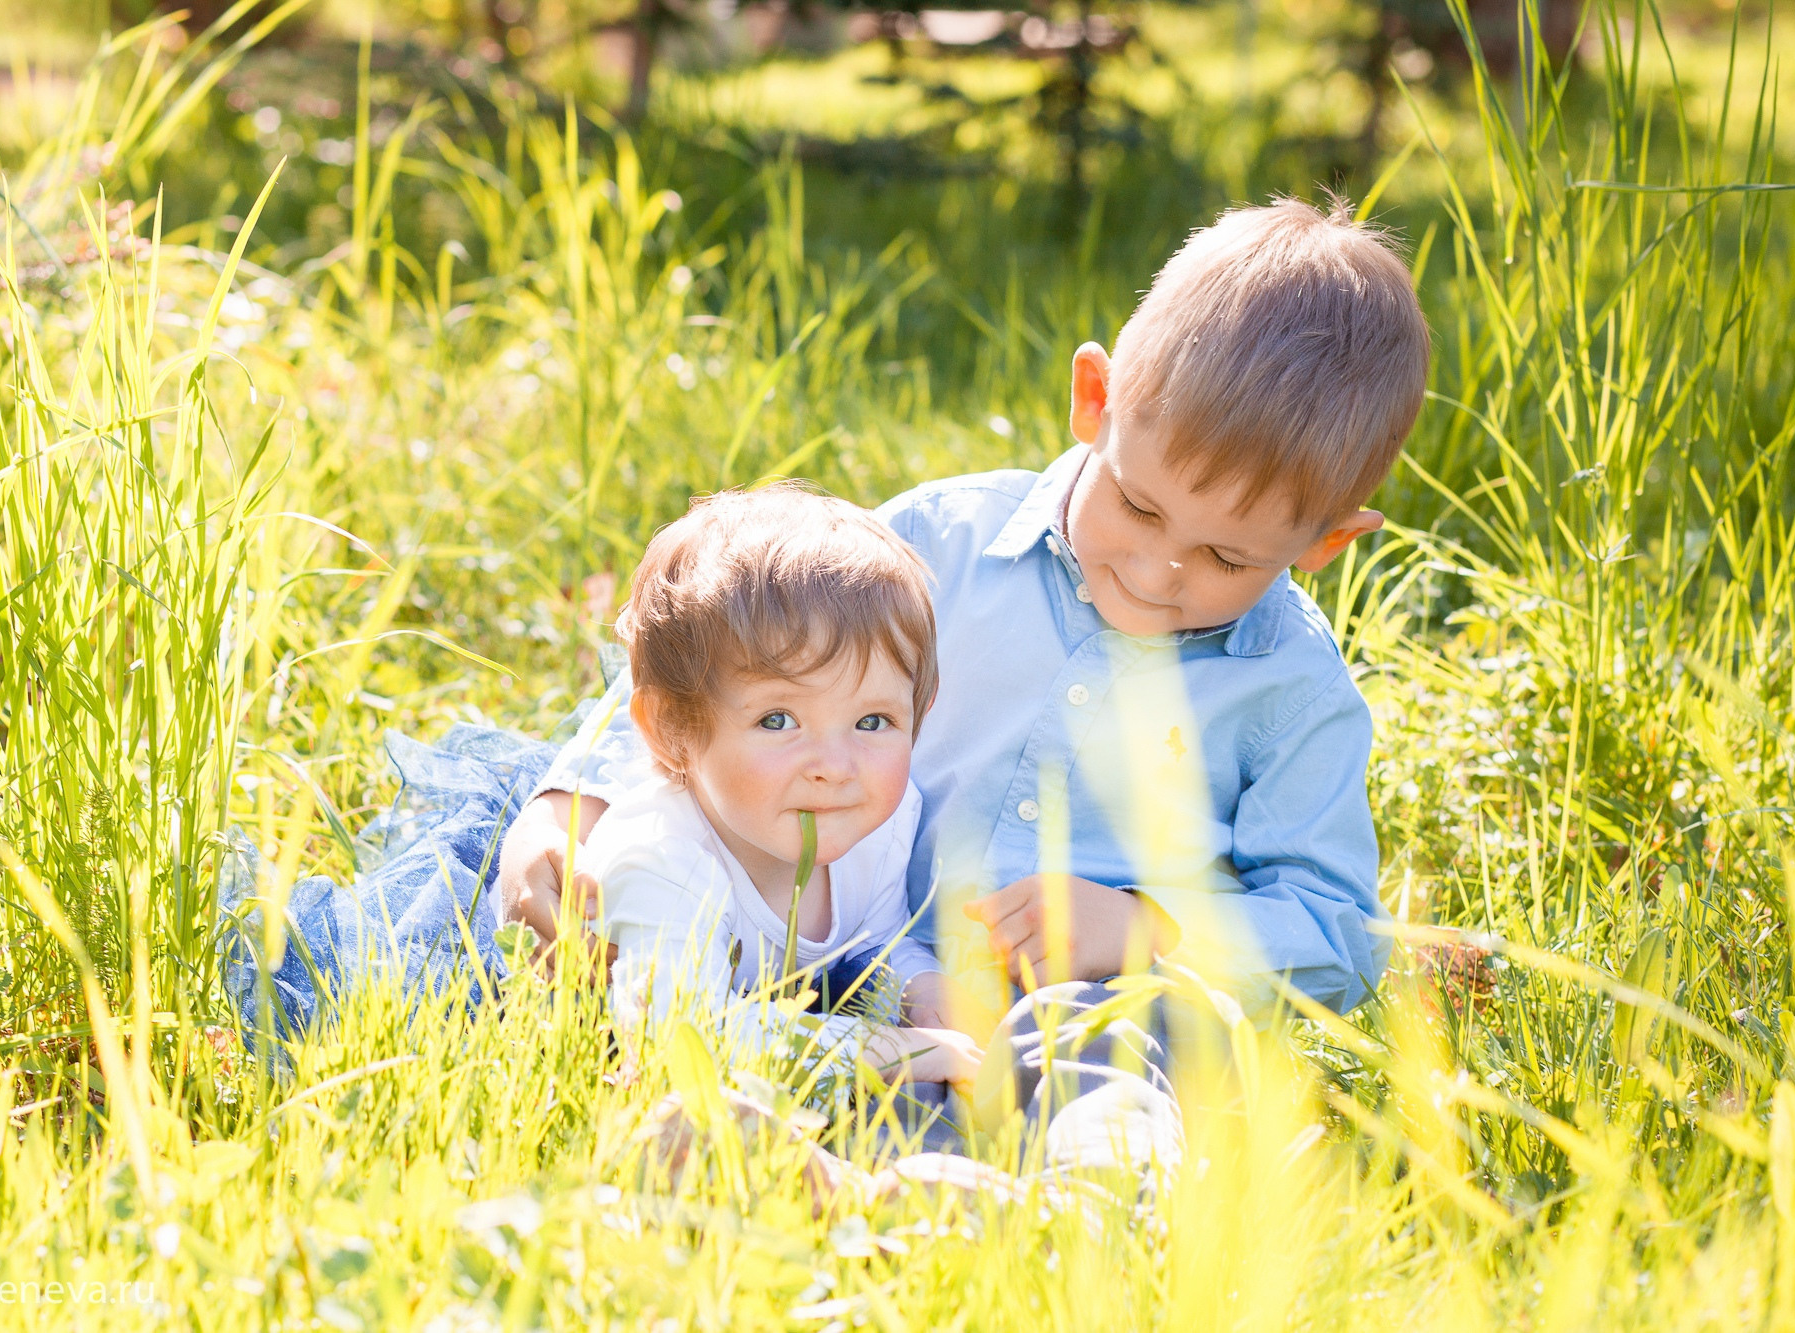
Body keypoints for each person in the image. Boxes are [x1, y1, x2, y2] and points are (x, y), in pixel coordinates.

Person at [500, 196, 1431, 1163]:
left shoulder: (1290, 689)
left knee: (1108, 1057)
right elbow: (727, 645)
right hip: (854, 947)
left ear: (1324, 543)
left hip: (1099, 1005)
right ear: (1094, 402)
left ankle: (1091, 1200)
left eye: (1227, 559)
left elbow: (1335, 931)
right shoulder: (942, 540)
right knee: (778, 1030)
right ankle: (828, 1170)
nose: (1159, 574)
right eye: (1140, 508)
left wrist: (1144, 927)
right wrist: (577, 799)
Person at [579, 485, 981, 1093]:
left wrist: (919, 988)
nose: (835, 766)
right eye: (778, 720)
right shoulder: (663, 858)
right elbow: (677, 1042)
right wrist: (888, 1048)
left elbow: (876, 939)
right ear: (673, 729)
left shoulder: (876, 825)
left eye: (873, 722)